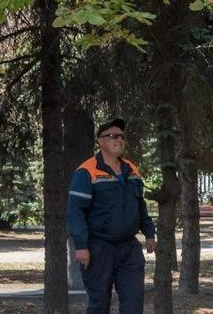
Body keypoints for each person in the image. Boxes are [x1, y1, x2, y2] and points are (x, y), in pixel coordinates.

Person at [67, 117, 157, 314]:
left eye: (122, 136)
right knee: (99, 305)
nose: (119, 140)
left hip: (129, 248)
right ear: (100, 141)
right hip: (99, 248)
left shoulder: (131, 169)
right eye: (112, 136)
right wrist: (81, 246)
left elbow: (139, 204)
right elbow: (75, 212)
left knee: (134, 303)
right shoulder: (87, 171)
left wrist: (149, 232)